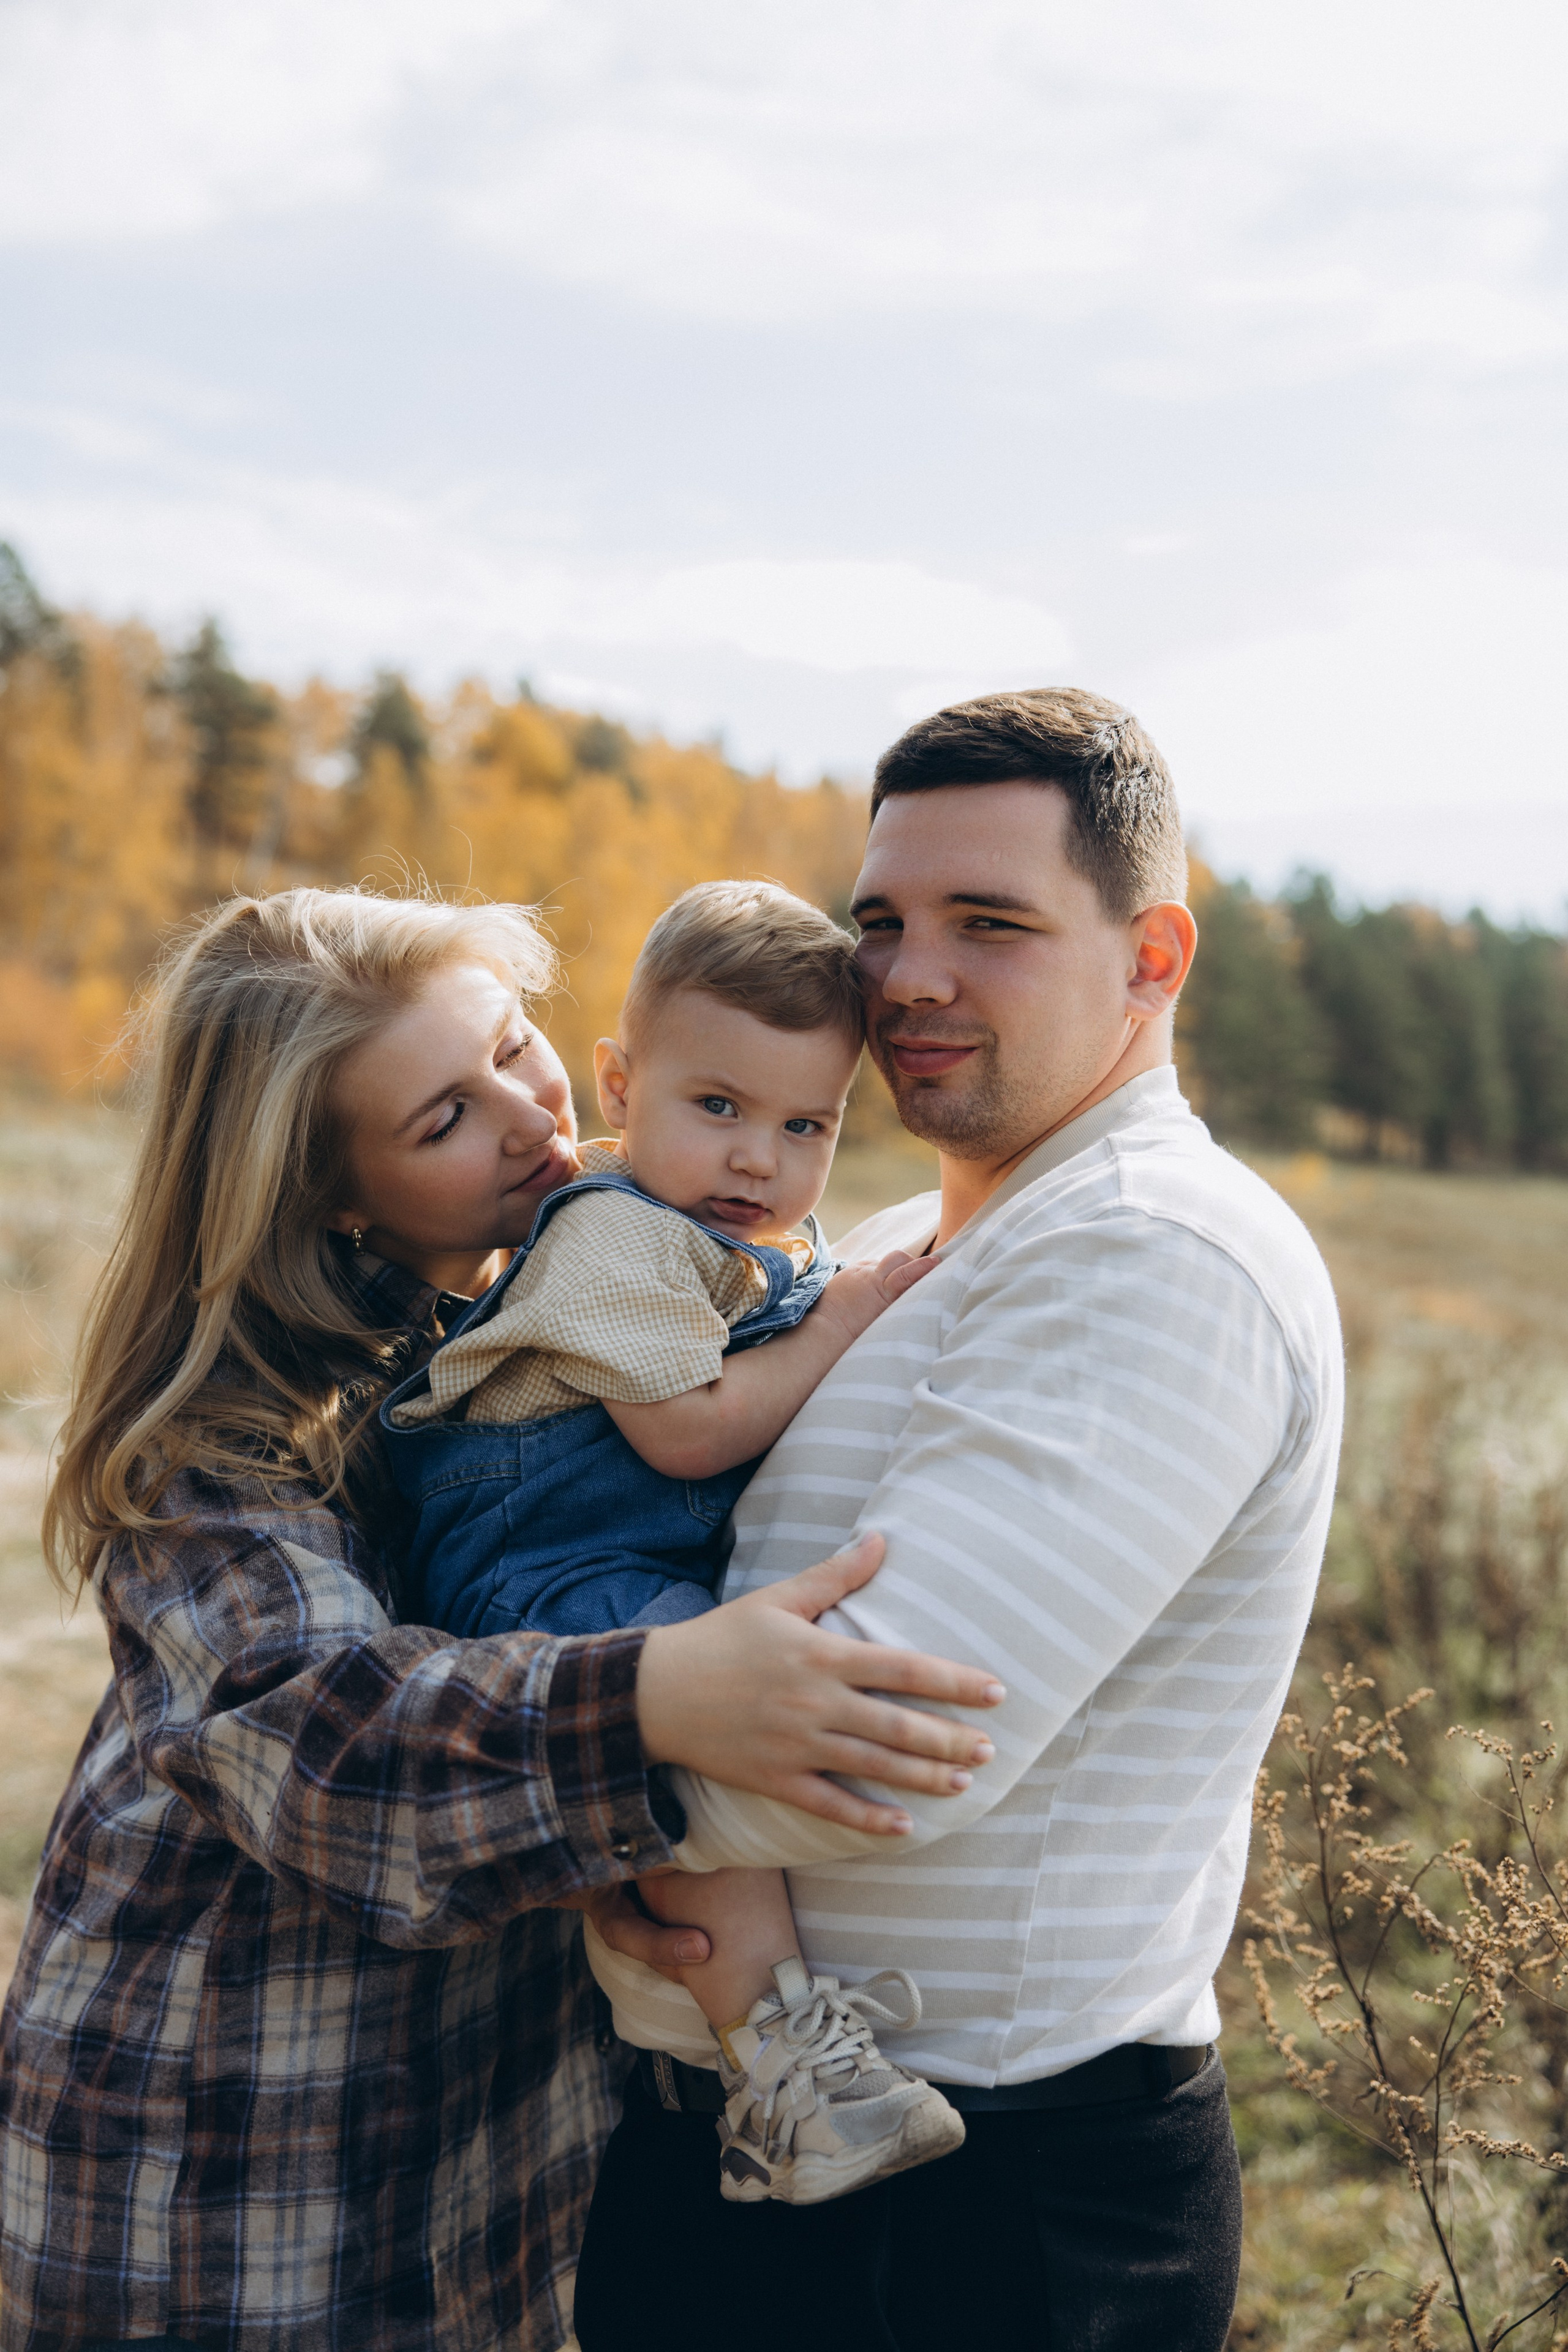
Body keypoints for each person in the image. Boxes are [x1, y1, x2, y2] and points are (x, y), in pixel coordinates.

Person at [0, 888, 1003, 2352]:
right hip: (217, 2159)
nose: (533, 1125)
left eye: (516, 1049)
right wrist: (650, 1702)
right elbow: (340, 1748)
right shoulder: (220, 1449)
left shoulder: (538, 1290)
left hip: (473, 2148)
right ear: (328, 1193)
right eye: (442, 1122)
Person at [577, 688, 1345, 2352]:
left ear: (1153, 958)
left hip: (985, 2208)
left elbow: (879, 1758)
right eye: (882, 921)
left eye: (987, 924)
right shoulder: (896, 1242)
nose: (905, 975)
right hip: (759, 2162)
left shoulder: (1157, 1252)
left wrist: (546, 1806)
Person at [379, 880, 966, 2206]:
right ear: (620, 1081)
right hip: (544, 1560)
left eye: (804, 1123)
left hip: (608, 1553)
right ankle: (787, 2074)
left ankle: (773, 2076)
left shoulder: (738, 1236)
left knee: (690, 1793)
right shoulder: (612, 1235)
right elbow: (688, 1438)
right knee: (696, 1750)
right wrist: (837, 1328)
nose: (758, 1159)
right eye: (718, 1108)